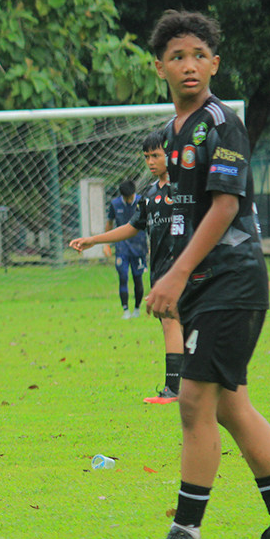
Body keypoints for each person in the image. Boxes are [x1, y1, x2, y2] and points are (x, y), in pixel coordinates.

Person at [144, 9, 270, 539]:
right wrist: (176, 277)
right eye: (177, 57)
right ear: (160, 67)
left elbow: (224, 207)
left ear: (215, 63)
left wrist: (175, 274)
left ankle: (185, 532)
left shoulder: (221, 122)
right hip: (205, 286)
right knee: (231, 406)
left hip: (232, 280)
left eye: (199, 55)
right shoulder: (173, 132)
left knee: (193, 402)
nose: (189, 65)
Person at [69, 130, 183, 404]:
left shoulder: (184, 189)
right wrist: (94, 240)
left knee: (174, 322)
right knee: (172, 323)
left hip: (182, 268)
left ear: (171, 154)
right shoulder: (150, 194)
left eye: (156, 155)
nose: (150, 162)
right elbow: (132, 227)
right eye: (146, 157)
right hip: (159, 269)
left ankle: (175, 389)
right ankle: (184, 388)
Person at [105, 179, 148, 319]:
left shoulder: (142, 201)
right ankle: (125, 310)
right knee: (123, 277)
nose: (129, 200)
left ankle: (137, 309)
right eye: (126, 198)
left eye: (130, 197)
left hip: (139, 246)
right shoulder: (115, 204)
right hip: (122, 247)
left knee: (137, 278)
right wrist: (106, 244)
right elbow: (109, 222)